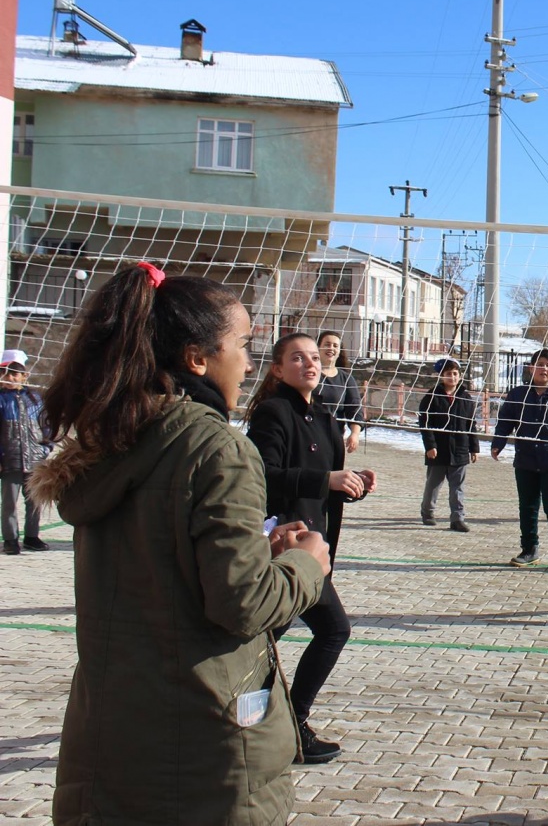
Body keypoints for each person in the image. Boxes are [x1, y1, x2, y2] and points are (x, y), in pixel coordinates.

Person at [34, 263, 330, 825]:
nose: (248, 362)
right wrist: (303, 566)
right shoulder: (215, 446)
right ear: (197, 358)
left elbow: (160, 567)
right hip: (201, 753)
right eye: (242, 345)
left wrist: (258, 551)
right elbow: (241, 603)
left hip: (110, 741)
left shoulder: (111, 437)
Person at [247, 332, 377, 764]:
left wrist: (351, 484)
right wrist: (327, 480)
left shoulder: (323, 414)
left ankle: (244, 717)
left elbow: (323, 485)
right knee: (333, 630)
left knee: (262, 639)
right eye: (297, 358)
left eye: (313, 358)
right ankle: (291, 725)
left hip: (317, 546)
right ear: (277, 369)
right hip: (286, 544)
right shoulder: (272, 413)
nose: (309, 364)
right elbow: (265, 476)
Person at [492, 348, 548, 570]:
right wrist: (498, 443)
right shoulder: (517, 395)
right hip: (525, 460)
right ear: (531, 367)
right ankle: (529, 549)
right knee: (528, 507)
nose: (544, 368)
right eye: (540, 364)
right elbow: (505, 421)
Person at [419, 357, 480, 532]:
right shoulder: (432, 397)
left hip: (459, 451)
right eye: (448, 374)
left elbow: (470, 425)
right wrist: (430, 446)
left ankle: (457, 518)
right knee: (433, 484)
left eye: (455, 374)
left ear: (460, 376)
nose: (452, 377)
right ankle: (427, 512)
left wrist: (474, 448)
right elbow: (425, 423)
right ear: (442, 376)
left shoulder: (466, 398)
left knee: (458, 487)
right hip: (438, 451)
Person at [0, 349, 50, 553]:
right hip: (10, 460)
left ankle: (32, 536)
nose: (10, 377)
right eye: (5, 373)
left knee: (35, 501)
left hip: (35, 460)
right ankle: (11, 539)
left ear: (24, 376)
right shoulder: (2, 400)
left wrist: (46, 448)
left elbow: (47, 426)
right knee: (9, 503)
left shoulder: (36, 399)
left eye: (15, 373)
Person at [316, 329, 364, 454]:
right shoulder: (309, 374)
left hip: (333, 438)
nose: (331, 348)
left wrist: (354, 434)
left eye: (335, 346)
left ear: (339, 351)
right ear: (318, 348)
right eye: (327, 344)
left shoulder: (346, 378)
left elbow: (355, 410)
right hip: (307, 435)